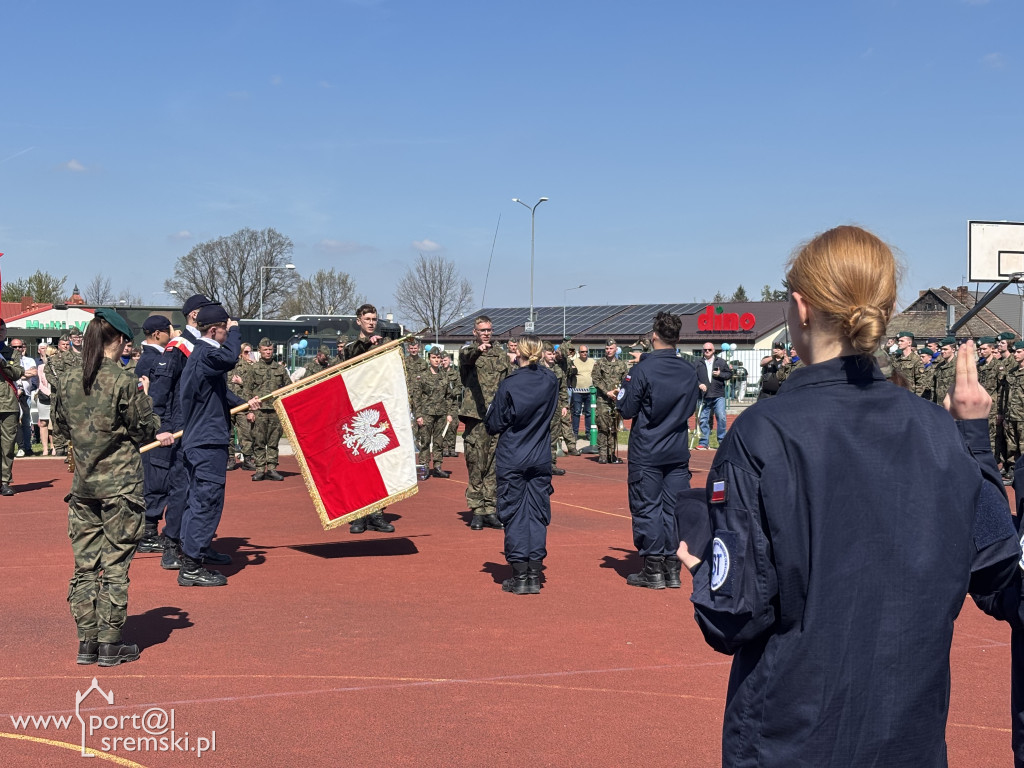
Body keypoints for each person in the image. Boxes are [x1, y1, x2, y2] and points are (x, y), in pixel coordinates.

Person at [680, 225, 1021, 767]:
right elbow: (998, 563)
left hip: (793, 737)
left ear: (800, 307)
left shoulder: (763, 432)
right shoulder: (939, 432)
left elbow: (732, 616)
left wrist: (702, 554)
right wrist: (973, 441)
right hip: (910, 737)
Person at [52, 308, 171, 666]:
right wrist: (148, 402)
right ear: (117, 340)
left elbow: (60, 430)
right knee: (116, 565)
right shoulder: (123, 379)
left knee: (85, 567)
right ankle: (109, 642)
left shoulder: (69, 379)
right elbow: (141, 426)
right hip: (120, 486)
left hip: (84, 486)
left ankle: (87, 643)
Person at [175, 303, 261, 586]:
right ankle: (191, 564)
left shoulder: (202, 357)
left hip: (201, 439)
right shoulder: (207, 353)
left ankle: (193, 552)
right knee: (206, 501)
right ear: (214, 330)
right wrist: (237, 332)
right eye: (225, 330)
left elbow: (218, 392)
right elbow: (228, 359)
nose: (228, 335)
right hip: (205, 441)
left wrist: (244, 403)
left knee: (198, 500)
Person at [617, 311, 700, 589]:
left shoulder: (642, 369)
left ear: (654, 336)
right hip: (676, 449)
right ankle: (673, 568)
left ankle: (653, 569)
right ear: (676, 338)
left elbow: (627, 409)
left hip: (648, 449)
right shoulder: (689, 369)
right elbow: (690, 408)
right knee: (673, 509)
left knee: (647, 507)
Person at [484, 336, 558, 595]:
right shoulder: (550, 380)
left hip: (513, 454)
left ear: (519, 353)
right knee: (537, 513)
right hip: (539, 454)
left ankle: (519, 574)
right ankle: (534, 573)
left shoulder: (510, 384)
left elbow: (493, 423)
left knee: (514, 513)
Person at [134, 315, 185, 555]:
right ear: (157, 334)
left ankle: (150, 530)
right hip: (158, 429)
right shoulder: (152, 359)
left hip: (161, 427)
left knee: (161, 480)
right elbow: (154, 399)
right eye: (168, 330)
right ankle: (147, 533)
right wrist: (160, 428)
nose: (172, 333)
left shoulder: (153, 357)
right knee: (157, 480)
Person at [343, 303, 396, 534]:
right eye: (367, 319)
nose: (372, 322)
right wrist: (367, 344)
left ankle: (377, 513)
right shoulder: (351, 346)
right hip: (357, 410)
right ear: (359, 321)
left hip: (379, 408)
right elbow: (350, 357)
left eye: (374, 319)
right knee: (359, 464)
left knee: (379, 464)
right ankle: (358, 515)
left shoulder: (385, 345)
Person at [458, 315, 513, 530]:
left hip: (497, 417)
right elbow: (467, 358)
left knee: (493, 464)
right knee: (476, 462)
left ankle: (490, 508)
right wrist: (477, 350)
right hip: (476, 418)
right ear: (475, 332)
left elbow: (509, 383)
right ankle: (477, 510)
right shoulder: (467, 352)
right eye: (482, 330)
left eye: (489, 330)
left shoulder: (501, 356)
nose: (486, 333)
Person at [245, 337, 290, 482]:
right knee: (258, 441)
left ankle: (271, 468)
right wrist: (249, 411)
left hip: (275, 411)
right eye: (265, 350)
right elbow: (247, 390)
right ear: (260, 351)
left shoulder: (280, 369)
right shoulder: (253, 369)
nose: (268, 352)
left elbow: (288, 388)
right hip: (259, 411)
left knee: (273, 441)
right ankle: (259, 469)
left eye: (270, 349)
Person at [411, 348, 454, 478]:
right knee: (424, 441)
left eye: (438, 358)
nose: (436, 360)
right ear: (429, 359)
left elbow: (449, 397)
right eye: (434, 358)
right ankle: (423, 467)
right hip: (426, 414)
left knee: (439, 441)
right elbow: (416, 398)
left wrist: (449, 413)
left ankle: (437, 467)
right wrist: (418, 415)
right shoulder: (422, 376)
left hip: (441, 414)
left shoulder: (445, 376)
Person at [592, 339, 628, 464]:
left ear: (616, 349)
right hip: (603, 400)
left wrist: (619, 392)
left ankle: (611, 454)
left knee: (614, 428)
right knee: (603, 427)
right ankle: (602, 454)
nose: (608, 351)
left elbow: (626, 381)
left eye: (611, 348)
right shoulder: (599, 363)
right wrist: (607, 392)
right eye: (607, 349)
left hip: (616, 401)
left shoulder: (622, 364)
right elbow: (596, 380)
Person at [0, 322, 25, 494]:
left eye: (2, 329)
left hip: (8, 404)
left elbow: (17, 373)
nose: (0, 332)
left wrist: (2, 362)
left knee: (7, 446)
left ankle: (4, 480)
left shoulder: (12, 353)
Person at [694, 342, 732, 449]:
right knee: (703, 418)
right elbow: (692, 376)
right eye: (705, 350)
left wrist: (720, 374)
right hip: (703, 395)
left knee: (721, 416)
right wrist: (699, 384)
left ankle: (722, 441)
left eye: (709, 350)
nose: (707, 352)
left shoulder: (721, 362)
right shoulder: (698, 362)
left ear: (714, 350)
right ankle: (704, 442)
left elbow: (729, 374)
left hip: (718, 394)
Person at [541, 342, 570, 475]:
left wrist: (564, 405)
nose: (552, 356)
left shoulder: (558, 370)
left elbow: (563, 388)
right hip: (540, 408)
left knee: (553, 436)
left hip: (555, 407)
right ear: (542, 354)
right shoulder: (537, 369)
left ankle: (551, 464)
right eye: (549, 354)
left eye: (553, 353)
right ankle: (538, 463)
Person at [9, 338, 36, 456]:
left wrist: (18, 373)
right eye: (14, 347)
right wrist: (24, 373)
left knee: (26, 421)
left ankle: (27, 447)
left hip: (26, 394)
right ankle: (19, 447)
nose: (17, 349)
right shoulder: (8, 359)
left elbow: (34, 373)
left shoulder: (29, 360)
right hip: (12, 394)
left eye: (20, 346)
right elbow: (10, 374)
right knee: (14, 422)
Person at [569, 344, 596, 438]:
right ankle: (575, 433)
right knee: (576, 412)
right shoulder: (573, 362)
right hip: (577, 391)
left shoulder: (593, 362)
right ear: (578, 352)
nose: (584, 353)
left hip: (589, 391)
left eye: (586, 351)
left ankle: (588, 433)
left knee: (588, 412)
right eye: (582, 352)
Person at [35, 344, 55, 456]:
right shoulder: (41, 367)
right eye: (47, 355)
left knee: (53, 423)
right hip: (44, 397)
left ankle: (53, 447)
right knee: (43, 422)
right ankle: (45, 448)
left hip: (55, 397)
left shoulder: (57, 368)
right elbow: (40, 384)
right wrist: (49, 393)